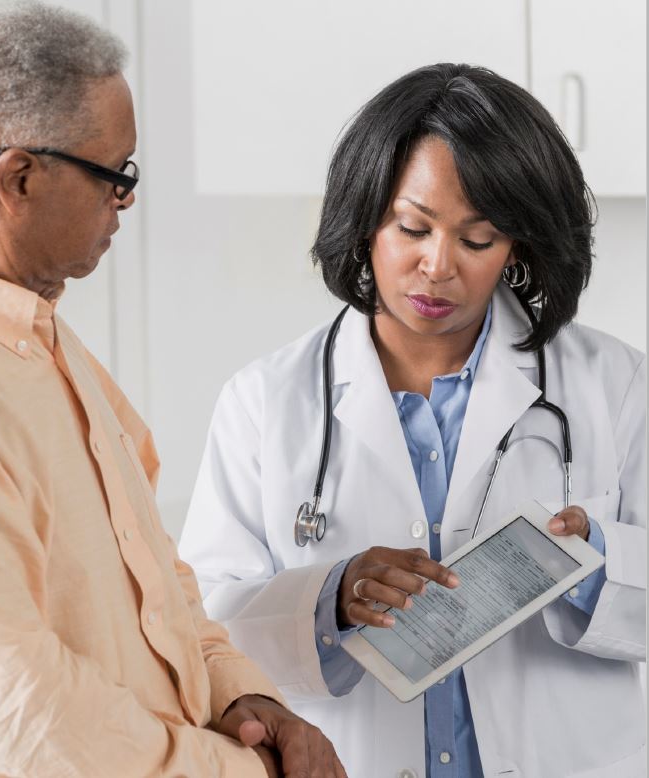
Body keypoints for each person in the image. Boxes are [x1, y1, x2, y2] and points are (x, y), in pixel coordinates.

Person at [0, 3, 346, 776]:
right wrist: (244, 772)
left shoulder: (37, 333)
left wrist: (242, 699)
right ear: (19, 178)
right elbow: (13, 709)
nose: (125, 203)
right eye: (116, 175)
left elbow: (155, 576)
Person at [179, 63, 646, 778]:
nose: (438, 266)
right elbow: (205, 631)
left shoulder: (612, 384)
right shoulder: (265, 401)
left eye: (478, 239)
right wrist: (328, 600)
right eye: (412, 227)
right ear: (367, 221)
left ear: (516, 246)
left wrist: (593, 567)